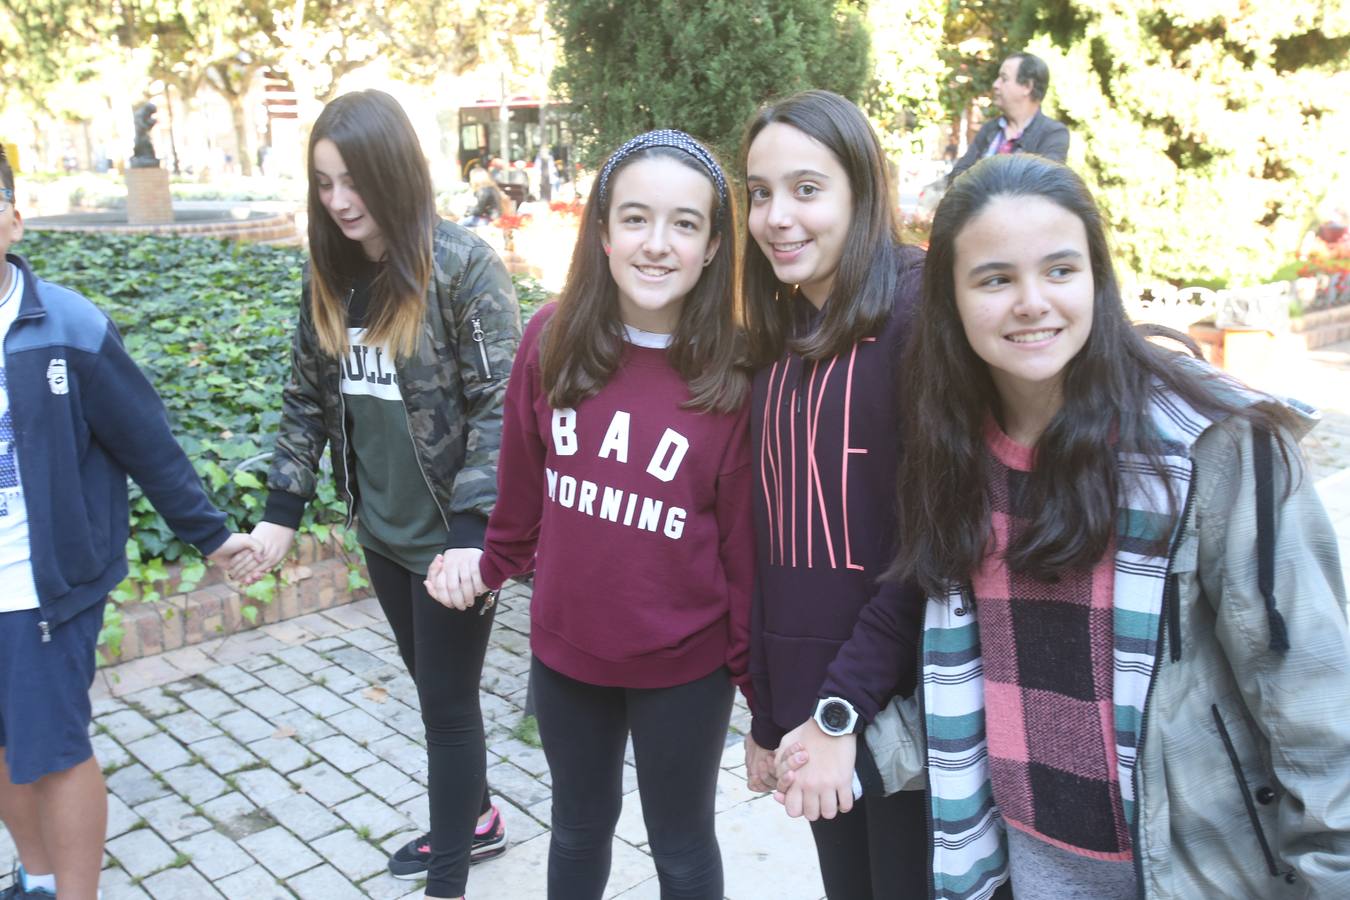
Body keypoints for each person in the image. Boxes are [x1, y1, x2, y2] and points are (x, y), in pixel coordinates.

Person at [785, 153, 1350, 898]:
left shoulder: (1217, 452)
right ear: (950, 302)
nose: (1031, 302)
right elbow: (986, 681)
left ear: (1097, 279)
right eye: (995, 279)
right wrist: (852, 748)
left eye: (1059, 270)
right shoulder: (953, 454)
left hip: (1189, 875)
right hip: (1021, 870)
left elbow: (1314, 706)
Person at [425, 129, 752, 899]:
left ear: (711, 247)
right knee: (577, 828)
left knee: (681, 845)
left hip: (686, 666)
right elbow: (522, 485)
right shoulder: (552, 335)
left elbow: (743, 546)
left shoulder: (735, 370)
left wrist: (758, 686)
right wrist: (489, 563)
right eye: (635, 218)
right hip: (567, 653)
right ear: (602, 230)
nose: (657, 243)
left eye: (684, 224)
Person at [230, 90, 521, 900]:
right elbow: (305, 400)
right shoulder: (332, 275)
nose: (340, 200)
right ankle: (482, 816)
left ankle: (450, 883)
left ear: (394, 171)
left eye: (353, 179)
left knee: (448, 713)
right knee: (435, 693)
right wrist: (280, 516)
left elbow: (504, 408)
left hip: (453, 549)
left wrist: (472, 534)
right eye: (324, 183)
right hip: (385, 535)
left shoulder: (463, 268)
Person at [0, 146, 257, 900]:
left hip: (38, 584)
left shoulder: (69, 328)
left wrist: (210, 536)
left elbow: (145, 438)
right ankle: (35, 876)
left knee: (52, 748)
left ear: (12, 221)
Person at [738, 89, 928, 898]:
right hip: (813, 724)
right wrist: (770, 716)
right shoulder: (775, 338)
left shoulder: (921, 313)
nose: (778, 216)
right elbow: (772, 549)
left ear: (862, 190)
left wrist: (840, 711)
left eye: (806, 190)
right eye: (759, 193)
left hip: (909, 717)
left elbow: (932, 542)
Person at [949, 51, 1070, 185]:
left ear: (1027, 87)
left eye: (1004, 78)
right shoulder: (990, 129)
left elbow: (1041, 184)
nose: (995, 85)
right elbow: (957, 175)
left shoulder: (1052, 134)